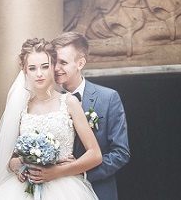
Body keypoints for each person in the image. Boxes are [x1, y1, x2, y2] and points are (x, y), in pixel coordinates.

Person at [0, 38, 103, 200]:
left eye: (45, 67)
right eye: (32, 68)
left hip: (64, 188)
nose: (39, 74)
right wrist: (16, 165)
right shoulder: (22, 108)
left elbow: (95, 154)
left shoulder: (69, 102)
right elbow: (10, 159)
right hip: (22, 189)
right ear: (25, 72)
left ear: (53, 67)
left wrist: (57, 171)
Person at [49, 32, 130, 200]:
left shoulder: (108, 98)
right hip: (52, 190)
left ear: (80, 63)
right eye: (54, 61)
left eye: (63, 62)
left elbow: (120, 152)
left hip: (96, 190)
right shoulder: (46, 101)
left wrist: (79, 172)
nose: (56, 68)